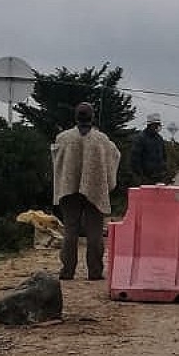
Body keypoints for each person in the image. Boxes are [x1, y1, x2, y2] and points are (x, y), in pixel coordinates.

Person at [52, 102, 121, 281]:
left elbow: (56, 161)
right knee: (95, 234)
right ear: (92, 117)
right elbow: (115, 156)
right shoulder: (102, 139)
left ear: (76, 117)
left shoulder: (63, 138)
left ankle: (67, 272)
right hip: (95, 190)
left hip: (69, 191)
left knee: (70, 232)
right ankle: (95, 272)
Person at [131, 112, 166, 185]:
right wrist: (141, 176)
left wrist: (163, 171)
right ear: (150, 125)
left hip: (159, 178)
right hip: (145, 178)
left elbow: (164, 156)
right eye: (156, 125)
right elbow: (135, 159)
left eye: (158, 125)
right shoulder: (140, 138)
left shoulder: (159, 138)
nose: (158, 127)